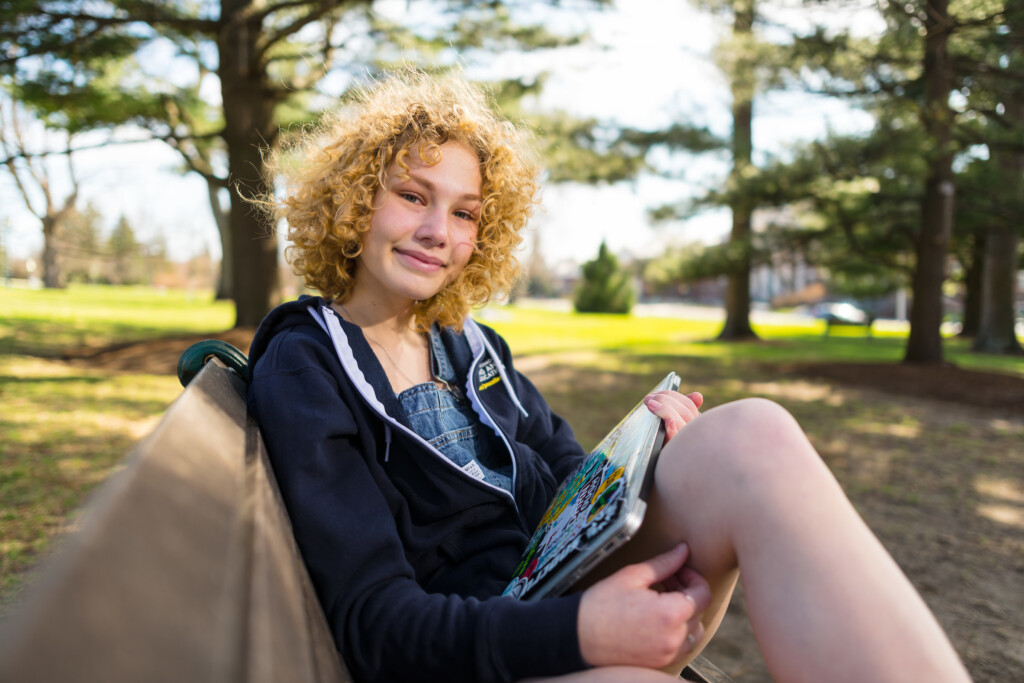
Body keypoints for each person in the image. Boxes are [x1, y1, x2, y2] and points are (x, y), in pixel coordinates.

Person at [247, 69, 971, 683]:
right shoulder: (308, 363)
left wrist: (642, 450)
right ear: (352, 201)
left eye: (465, 211)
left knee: (749, 434)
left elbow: (568, 475)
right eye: (413, 195)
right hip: (477, 647)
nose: (441, 230)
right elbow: (376, 622)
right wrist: (583, 632)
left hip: (550, 591)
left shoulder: (468, 343)